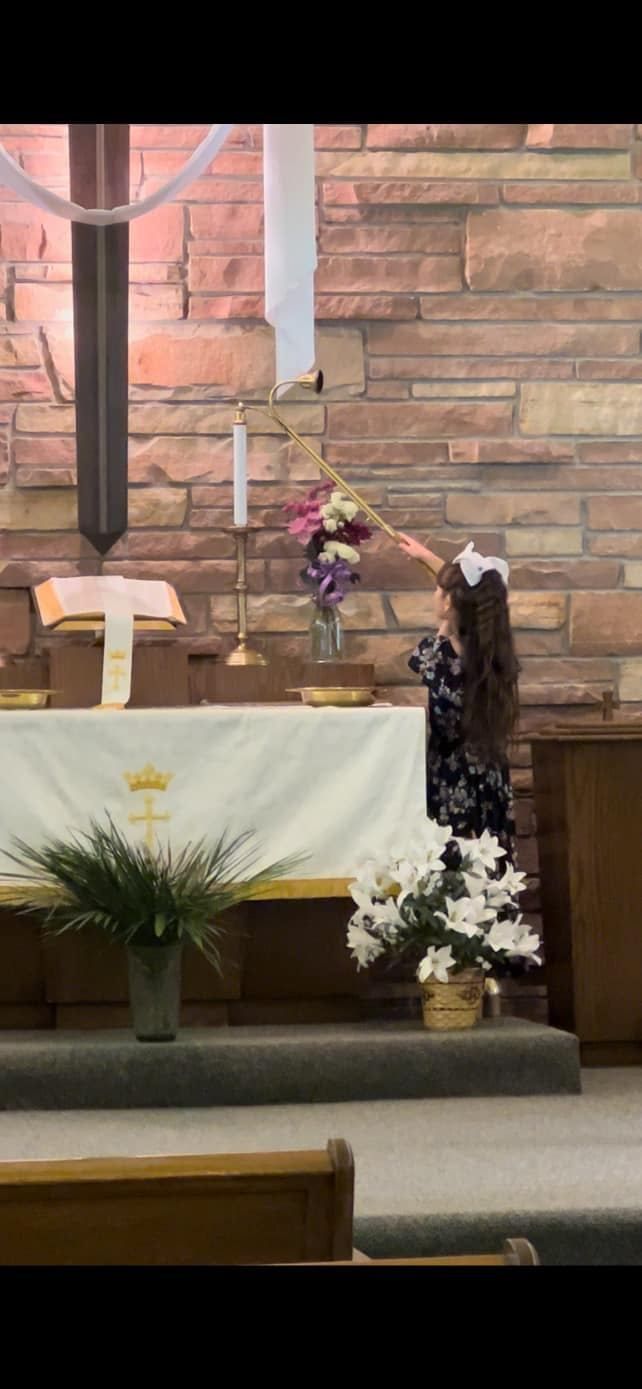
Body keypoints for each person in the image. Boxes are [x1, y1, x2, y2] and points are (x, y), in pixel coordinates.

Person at [397, 534, 520, 863]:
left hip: (451, 780)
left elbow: (422, 660)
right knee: (491, 869)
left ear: (450, 603)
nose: (435, 594)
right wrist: (429, 557)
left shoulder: (437, 658)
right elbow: (480, 593)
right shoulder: (494, 652)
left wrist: (443, 625)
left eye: (440, 591)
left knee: (457, 870)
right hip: (491, 777)